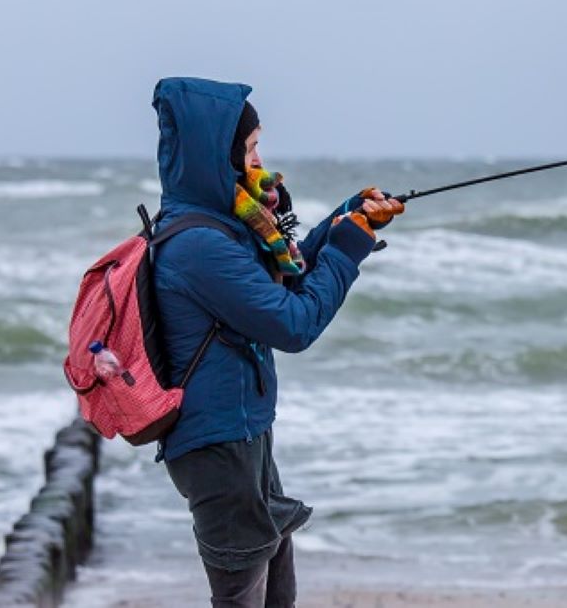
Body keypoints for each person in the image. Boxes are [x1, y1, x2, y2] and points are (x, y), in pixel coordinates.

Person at [149, 77, 403, 607]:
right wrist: (349, 248)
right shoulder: (199, 245)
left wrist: (346, 218)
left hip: (245, 434)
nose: (260, 159)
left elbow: (287, 274)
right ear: (217, 154)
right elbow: (293, 323)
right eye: (251, 147)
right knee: (242, 595)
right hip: (219, 448)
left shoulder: (227, 222)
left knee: (277, 585)